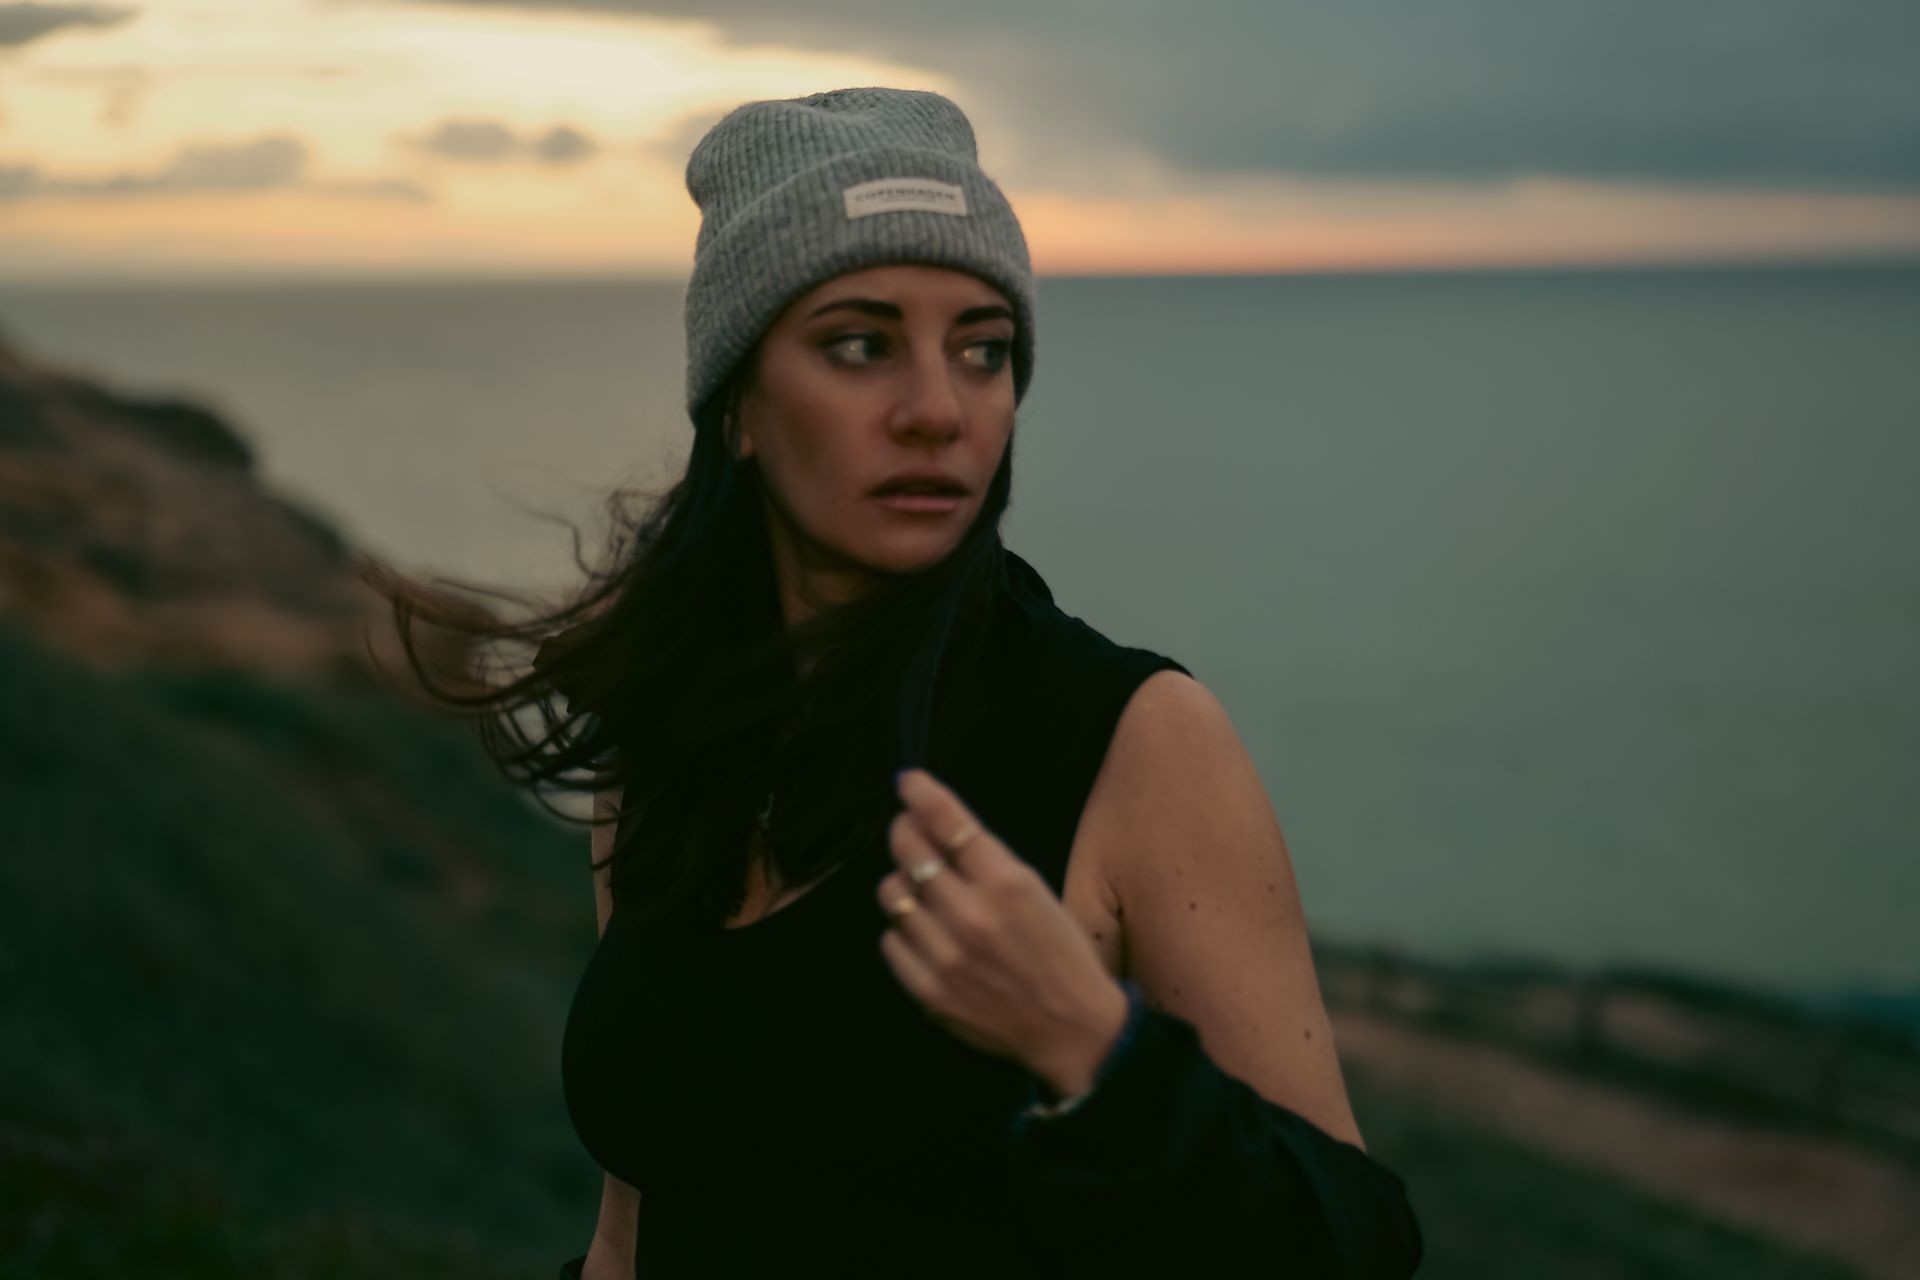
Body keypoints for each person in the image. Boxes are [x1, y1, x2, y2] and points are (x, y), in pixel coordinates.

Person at [516, 86, 1424, 1278]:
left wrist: (1093, 1047)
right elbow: (635, 1217)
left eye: (984, 350)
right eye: (860, 344)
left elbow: (1354, 1248)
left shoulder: (1136, 738)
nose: (939, 411)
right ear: (737, 401)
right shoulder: (666, 736)